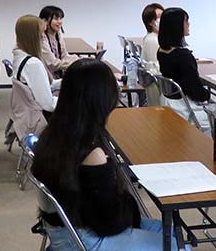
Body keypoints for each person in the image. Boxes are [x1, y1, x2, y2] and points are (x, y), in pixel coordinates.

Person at [31, 58, 187, 251]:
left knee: (169, 231)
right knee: (177, 245)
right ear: (101, 100)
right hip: (85, 238)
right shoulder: (91, 153)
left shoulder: (53, 134)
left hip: (64, 229)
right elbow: (109, 223)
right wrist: (127, 200)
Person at [157, 8, 211, 131]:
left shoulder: (161, 51)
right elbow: (196, 92)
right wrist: (210, 97)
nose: (189, 24)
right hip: (186, 109)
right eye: (186, 21)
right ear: (177, 26)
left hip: (170, 104)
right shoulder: (183, 56)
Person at [11, 15, 60, 139]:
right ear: (33, 36)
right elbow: (48, 104)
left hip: (25, 118)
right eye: (42, 33)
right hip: (37, 122)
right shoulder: (33, 64)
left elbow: (44, 86)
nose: (44, 36)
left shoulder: (19, 57)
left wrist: (70, 81)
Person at [39, 5, 78, 76]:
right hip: (48, 77)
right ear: (45, 21)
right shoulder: (42, 38)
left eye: (61, 18)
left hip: (58, 75)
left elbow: (64, 56)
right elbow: (52, 63)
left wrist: (80, 59)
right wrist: (76, 64)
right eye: (56, 19)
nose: (60, 22)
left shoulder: (58, 34)